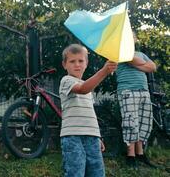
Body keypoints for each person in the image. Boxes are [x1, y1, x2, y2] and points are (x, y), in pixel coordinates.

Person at [59, 44, 117, 177]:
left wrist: (97, 136)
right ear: (64, 64)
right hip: (72, 136)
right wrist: (104, 71)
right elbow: (82, 89)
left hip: (92, 137)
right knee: (76, 172)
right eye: (72, 61)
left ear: (86, 63)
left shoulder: (87, 85)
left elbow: (90, 114)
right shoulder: (66, 80)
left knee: (97, 173)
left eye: (81, 61)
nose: (77, 64)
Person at [116, 33, 157, 168]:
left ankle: (140, 154)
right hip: (128, 91)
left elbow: (153, 67)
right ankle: (130, 156)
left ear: (134, 39)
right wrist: (142, 65)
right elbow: (132, 60)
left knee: (143, 123)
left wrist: (138, 64)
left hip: (143, 91)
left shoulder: (141, 54)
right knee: (130, 123)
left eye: (130, 37)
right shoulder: (120, 53)